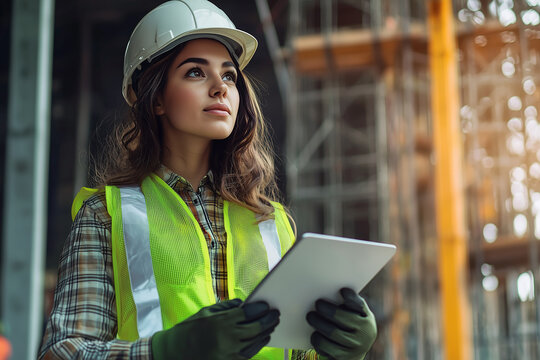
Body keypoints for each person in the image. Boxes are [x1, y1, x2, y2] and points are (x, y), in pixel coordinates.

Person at [38, 1, 377, 359]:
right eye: (195, 73)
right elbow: (63, 353)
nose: (220, 87)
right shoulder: (107, 215)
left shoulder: (271, 221)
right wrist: (170, 351)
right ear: (155, 99)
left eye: (229, 75)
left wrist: (336, 350)